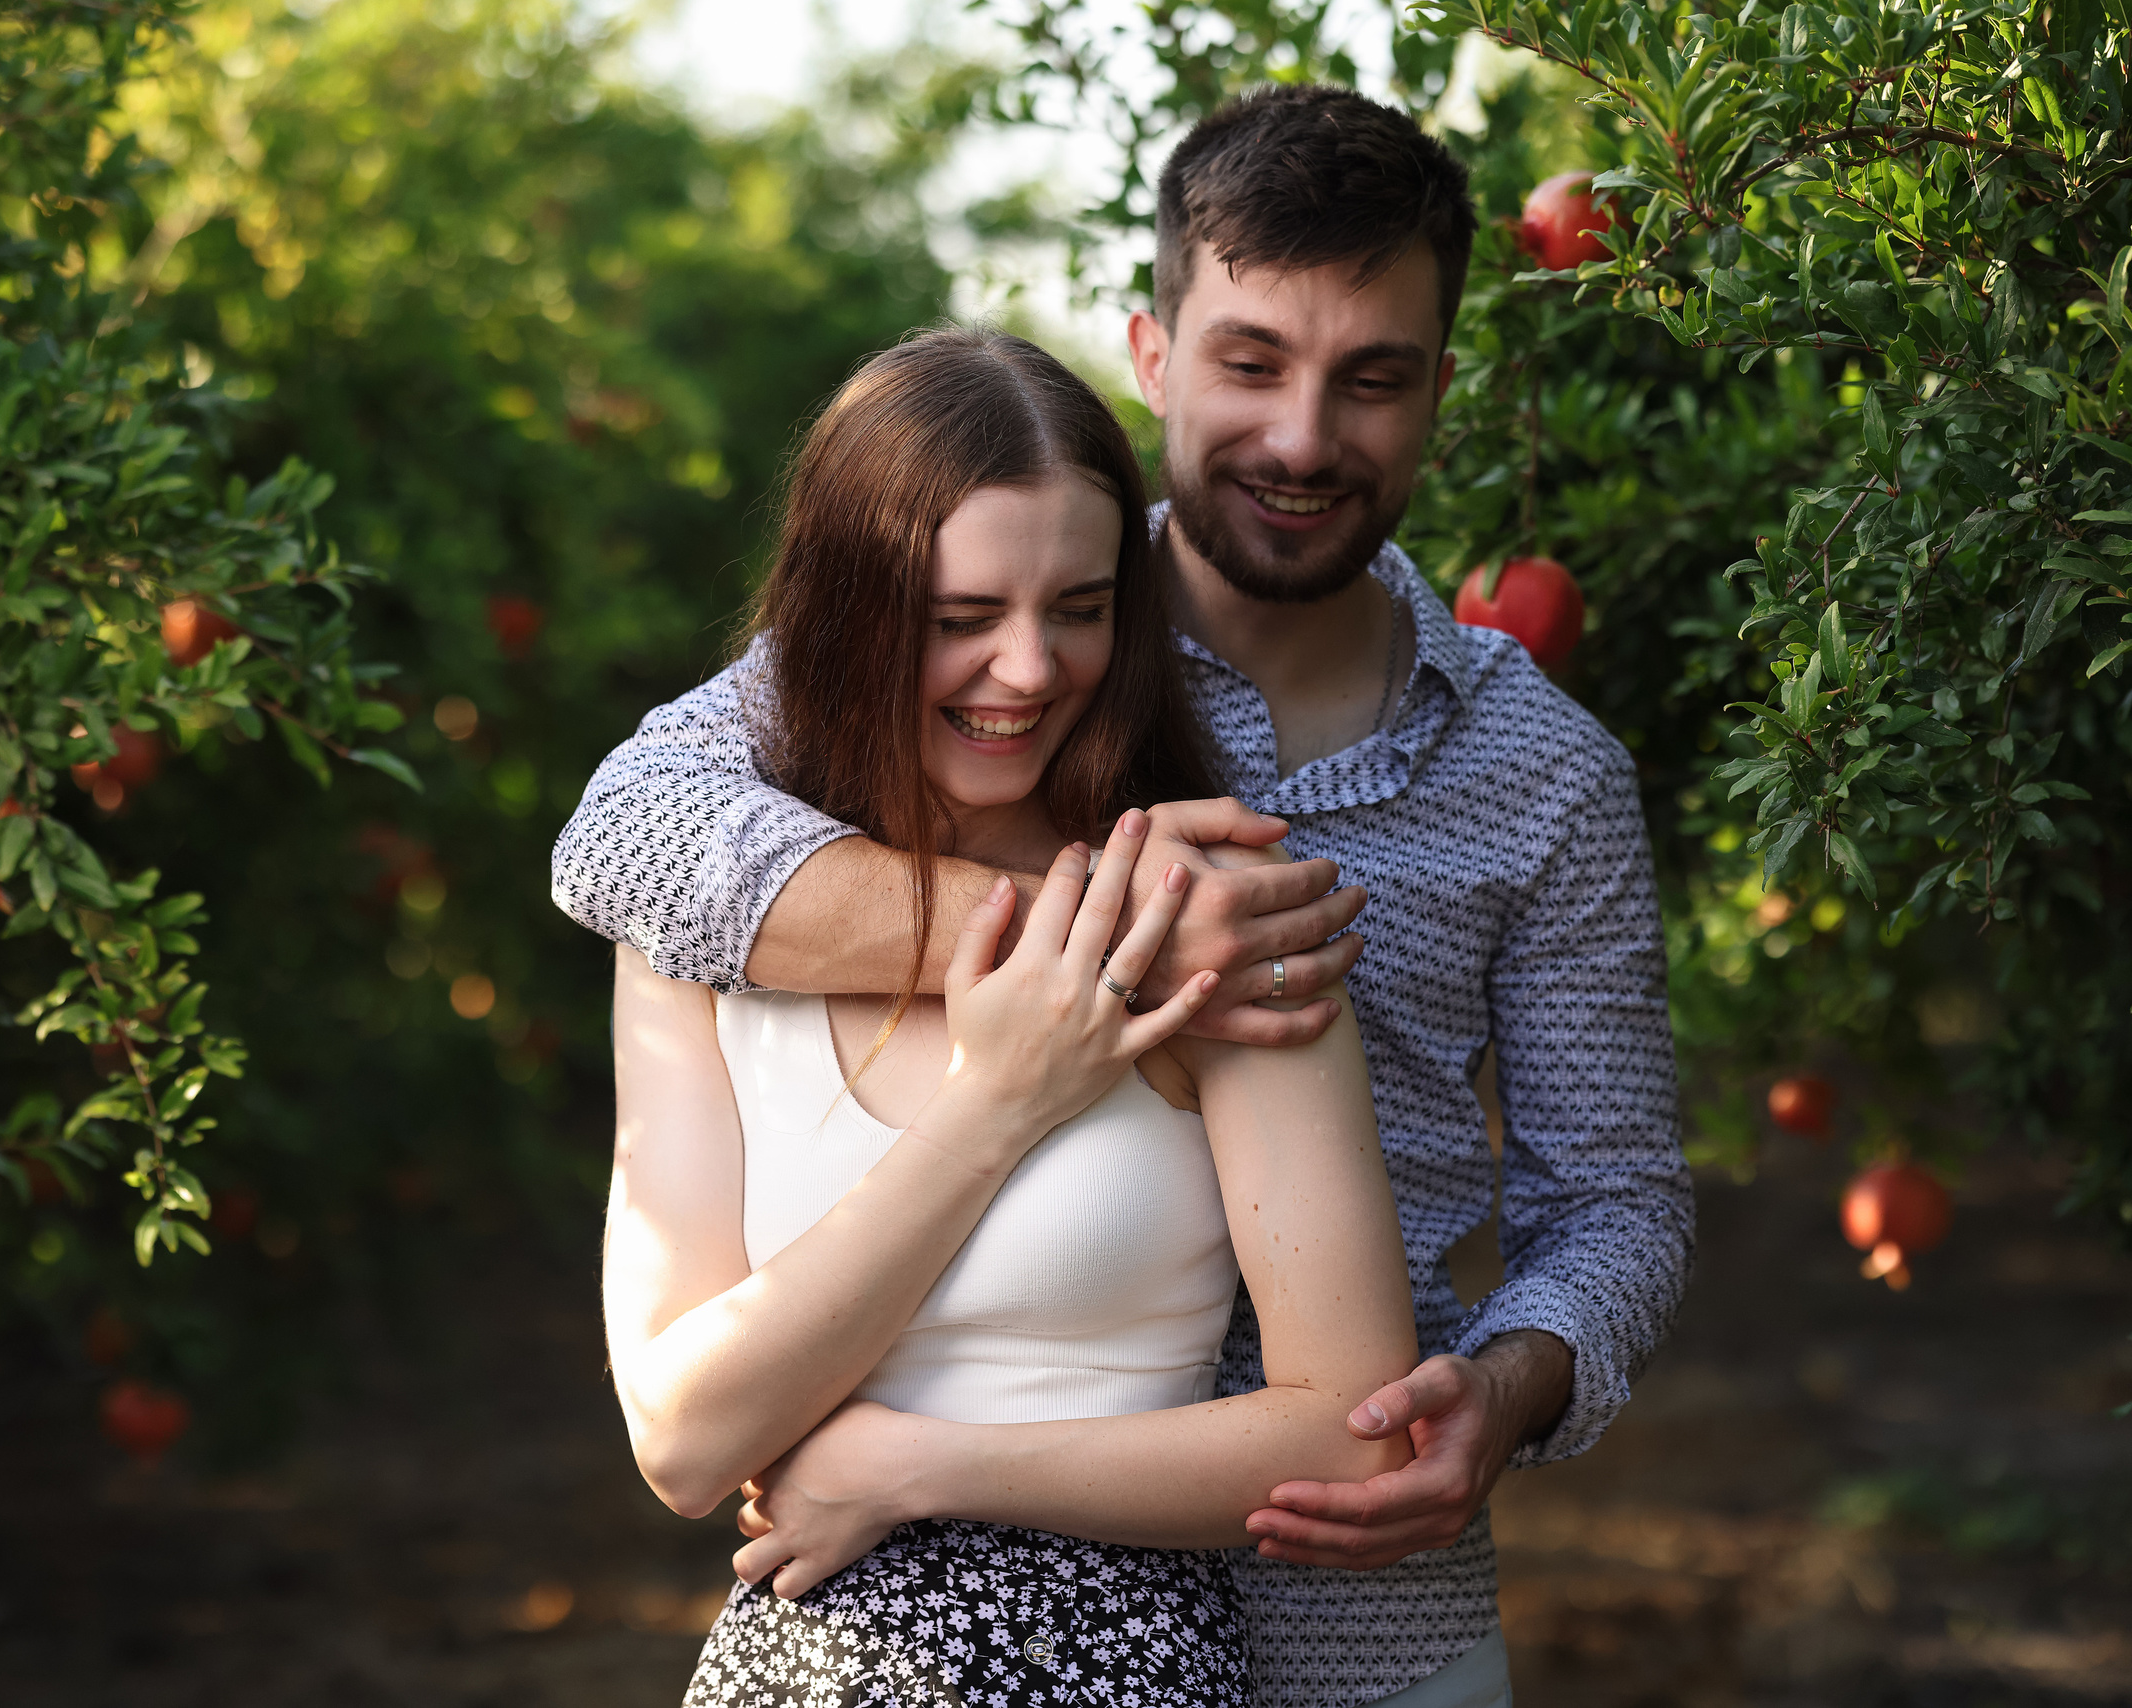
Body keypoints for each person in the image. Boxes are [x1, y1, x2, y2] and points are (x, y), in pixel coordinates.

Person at [559, 83, 1694, 1708]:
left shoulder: (1547, 773)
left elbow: (1621, 1199)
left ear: (1443, 389)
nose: (1304, 438)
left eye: (1371, 379)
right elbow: (628, 834)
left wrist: (1513, 1387)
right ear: (1154, 351)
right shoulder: (1015, 592)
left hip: (1359, 1590)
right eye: (1252, 364)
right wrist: (1078, 953)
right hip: (928, 1593)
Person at [602, 327, 1424, 1706]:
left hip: (1112, 1663)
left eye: (1083, 607)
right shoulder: (706, 935)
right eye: (961, 618)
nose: (1033, 671)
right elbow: (686, 1439)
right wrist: (999, 1101)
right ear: (849, 612)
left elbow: (1351, 1438)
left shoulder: (1209, 919)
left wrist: (923, 1470)